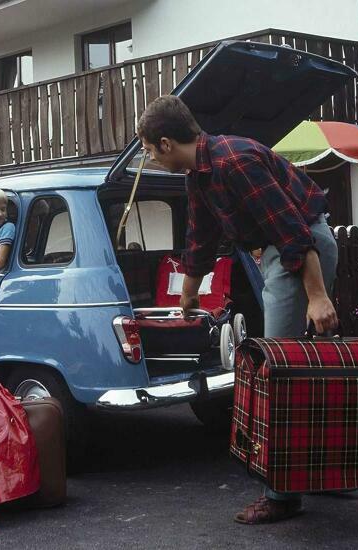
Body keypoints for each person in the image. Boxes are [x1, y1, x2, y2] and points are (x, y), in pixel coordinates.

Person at [136, 95, 339, 524]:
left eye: (150, 149)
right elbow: (200, 239)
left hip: (300, 253)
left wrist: (318, 296)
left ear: (167, 143)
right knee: (303, 370)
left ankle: (282, 496)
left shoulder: (233, 162)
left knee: (279, 373)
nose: (150, 157)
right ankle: (321, 472)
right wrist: (188, 295)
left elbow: (293, 232)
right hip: (281, 252)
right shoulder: (200, 177)